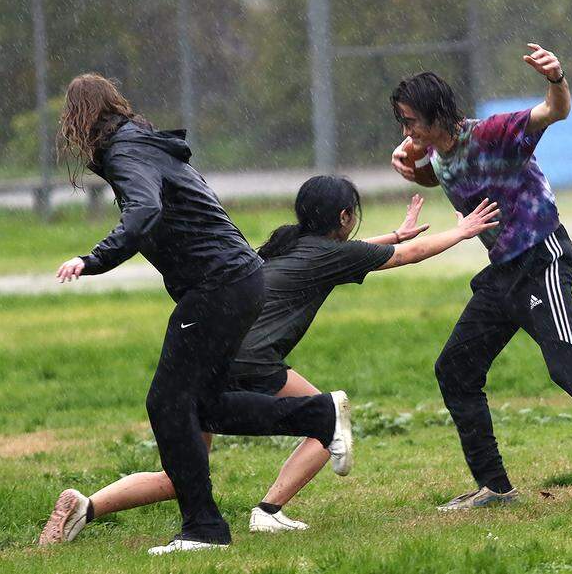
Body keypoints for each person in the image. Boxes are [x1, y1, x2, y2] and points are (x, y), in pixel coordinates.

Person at [39, 176, 499, 542]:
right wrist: (462, 230)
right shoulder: (328, 255)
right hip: (255, 361)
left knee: (184, 469)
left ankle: (87, 505)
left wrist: (392, 235)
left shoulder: (288, 242)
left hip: (213, 353)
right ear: (343, 217)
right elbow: (408, 256)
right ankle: (268, 511)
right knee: (327, 423)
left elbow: (363, 251)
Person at [47, 74, 353, 555]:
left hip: (218, 286)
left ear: (81, 121)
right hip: (237, 280)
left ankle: (204, 529)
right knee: (201, 406)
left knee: (166, 404)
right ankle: (320, 413)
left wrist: (94, 258)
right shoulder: (146, 145)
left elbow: (144, 211)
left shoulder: (126, 152)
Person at [389, 43, 572, 511]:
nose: (405, 131)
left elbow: (554, 111)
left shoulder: (494, 133)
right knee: (455, 369)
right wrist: (412, 166)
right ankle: (495, 488)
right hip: (503, 271)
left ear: (437, 115)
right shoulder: (438, 153)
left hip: (541, 258)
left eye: (410, 122)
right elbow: (442, 172)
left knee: (568, 367)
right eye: (402, 123)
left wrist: (557, 78)